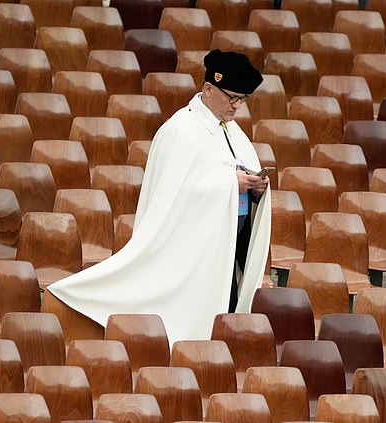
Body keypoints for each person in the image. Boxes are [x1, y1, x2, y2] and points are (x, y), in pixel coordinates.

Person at [47, 49, 271, 343]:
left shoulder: (235, 133)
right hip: (188, 250)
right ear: (208, 88)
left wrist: (255, 188)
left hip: (228, 247)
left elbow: (235, 180)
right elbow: (173, 195)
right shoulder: (181, 129)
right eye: (232, 97)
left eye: (242, 99)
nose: (237, 106)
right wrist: (230, 184)